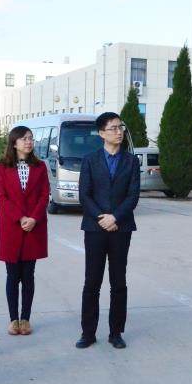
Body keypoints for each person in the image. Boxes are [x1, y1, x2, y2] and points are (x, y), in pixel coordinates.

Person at [75, 112, 140, 349]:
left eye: (120, 127)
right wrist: (101, 218)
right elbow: (85, 194)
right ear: (101, 133)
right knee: (92, 282)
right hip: (95, 228)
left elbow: (133, 195)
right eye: (113, 128)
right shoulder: (90, 160)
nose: (119, 132)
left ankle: (116, 332)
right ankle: (88, 333)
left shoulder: (131, 161)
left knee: (118, 282)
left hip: (121, 228)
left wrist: (116, 217)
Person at [0, 126, 50, 336]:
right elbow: (2, 197)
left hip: (34, 227)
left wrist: (34, 218)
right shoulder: (3, 166)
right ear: (14, 142)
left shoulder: (40, 166)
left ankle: (25, 318)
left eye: (30, 138)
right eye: (24, 139)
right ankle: (13, 320)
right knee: (12, 275)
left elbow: (44, 195)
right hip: (11, 226)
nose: (28, 142)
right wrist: (20, 218)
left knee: (28, 275)